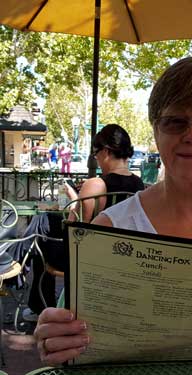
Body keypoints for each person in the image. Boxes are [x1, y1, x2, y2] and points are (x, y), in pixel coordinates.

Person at [34, 57, 192, 364]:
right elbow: (69, 331)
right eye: (176, 121)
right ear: (156, 131)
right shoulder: (109, 229)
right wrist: (56, 337)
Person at [21, 124, 144, 321]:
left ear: (105, 151)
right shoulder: (139, 185)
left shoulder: (96, 184)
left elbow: (73, 229)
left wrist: (72, 195)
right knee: (42, 225)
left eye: (96, 153)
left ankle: (39, 306)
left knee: (39, 244)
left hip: (87, 260)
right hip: (124, 258)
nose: (95, 158)